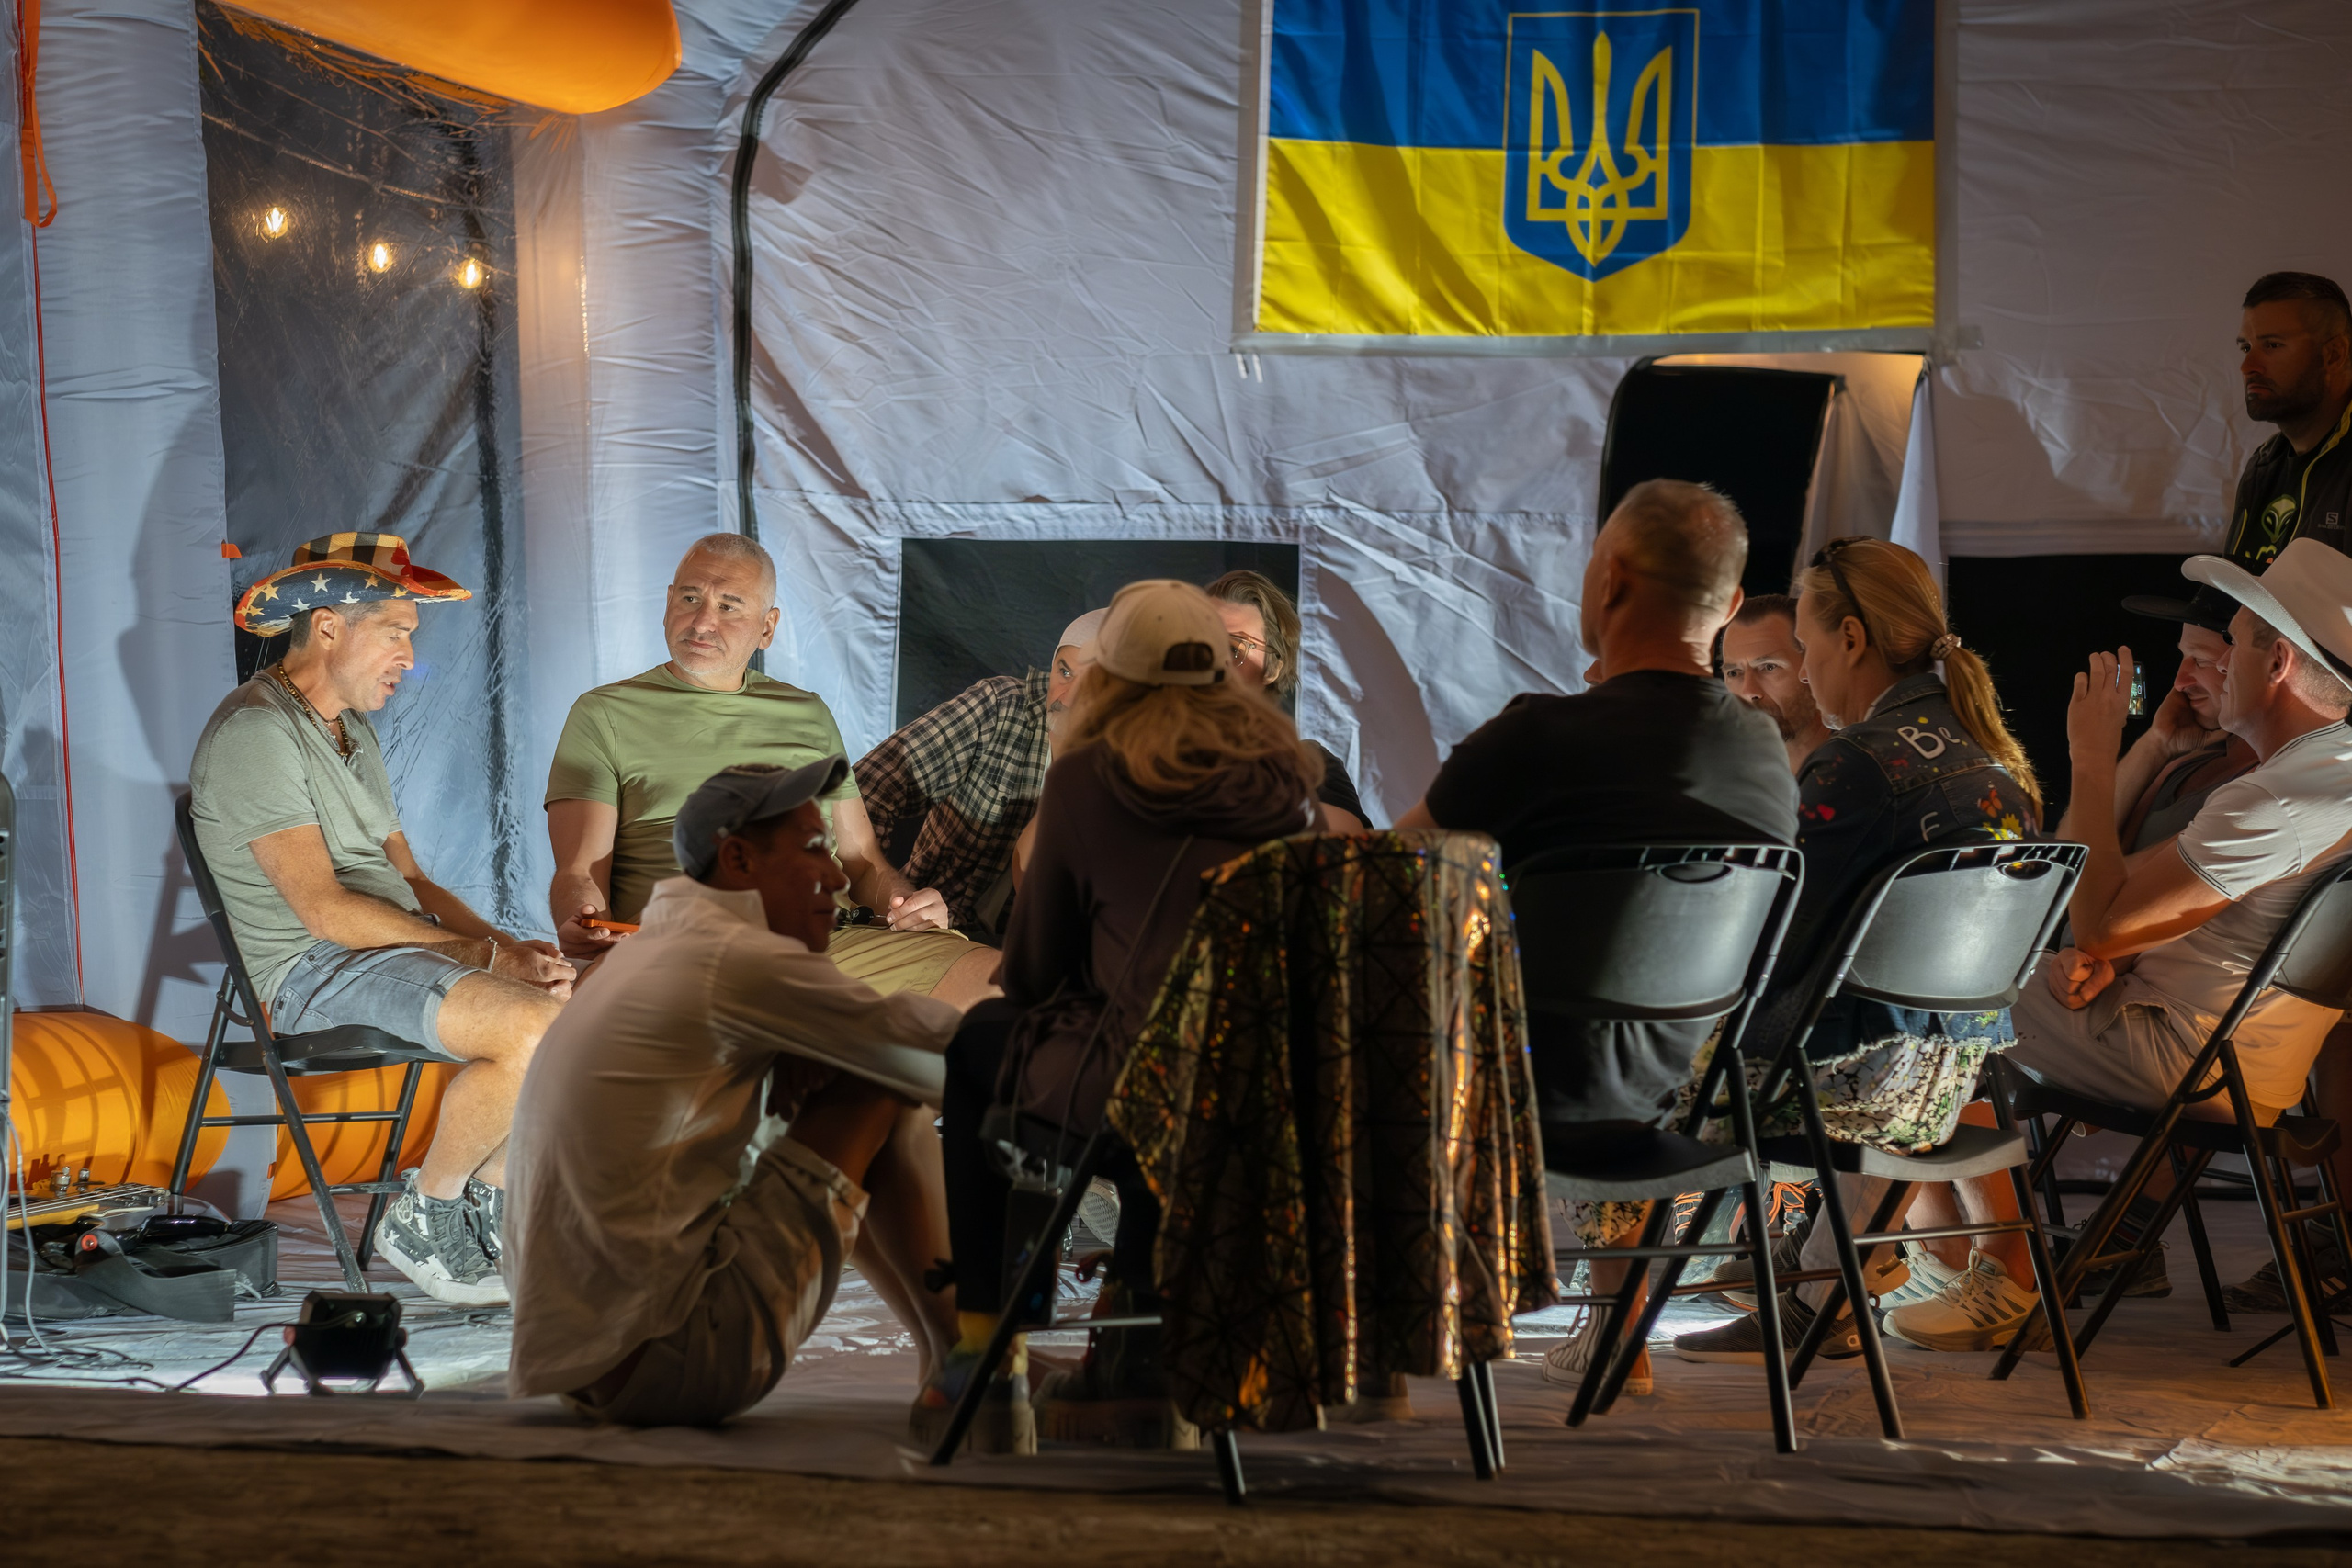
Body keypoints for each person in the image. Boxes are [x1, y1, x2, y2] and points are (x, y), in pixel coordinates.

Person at [1392, 479, 1798, 1393]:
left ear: (1608, 580)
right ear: (1731, 607)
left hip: (1513, 1097)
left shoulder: (1537, 738)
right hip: (1685, 1096)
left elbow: (1389, 876)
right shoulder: (1761, 753)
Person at [1899, 539, 2352, 1352]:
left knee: (1916, 990)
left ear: (2277, 659)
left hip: (2191, 1054)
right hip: (2232, 1048)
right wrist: (2112, 946)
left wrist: (2090, 756)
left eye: (2235, 640)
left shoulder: (2281, 795)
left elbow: (2095, 917)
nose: (2206, 669)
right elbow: (2121, 903)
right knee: (1950, 999)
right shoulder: (2327, 771)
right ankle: (1957, 1257)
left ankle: (1989, 1268)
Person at [935, 580, 1322, 1450]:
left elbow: (1030, 974)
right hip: (1256, 1099)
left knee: (980, 1047)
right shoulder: (1290, 788)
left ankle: (989, 1362)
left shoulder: (1085, 778)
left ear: (1111, 673)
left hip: (1125, 1085)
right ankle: (1146, 1371)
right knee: (1178, 1078)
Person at [506, 758, 965, 1430]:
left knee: (846, 1073)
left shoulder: (646, 950)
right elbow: (940, 1055)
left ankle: (956, 1361)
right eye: (814, 850)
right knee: (877, 1084)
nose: (839, 879)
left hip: (591, 1366)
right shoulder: (734, 955)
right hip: (674, 1359)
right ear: (740, 860)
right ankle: (973, 1363)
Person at [1671, 537, 2042, 1364]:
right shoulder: (1997, 763)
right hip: (1944, 1085)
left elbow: (1775, 943)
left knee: (1628, 1038)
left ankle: (1615, 1314)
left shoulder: (1857, 763)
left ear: (1850, 638)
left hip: (1850, 1086)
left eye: (1803, 646)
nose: (1802, 670)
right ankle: (1817, 1276)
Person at [192, 534, 571, 1305]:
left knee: (560, 1008)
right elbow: (324, 911)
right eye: (395, 631)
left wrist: (509, 948)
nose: (407, 654)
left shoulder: (351, 731)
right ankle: (425, 1211)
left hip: (388, 951)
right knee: (529, 1028)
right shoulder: (256, 733)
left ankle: (489, 1205)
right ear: (328, 626)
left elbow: (415, 880)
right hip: (313, 968)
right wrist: (483, 959)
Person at [545, 534, 998, 1005]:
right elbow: (579, 871)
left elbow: (865, 866)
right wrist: (584, 920)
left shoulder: (808, 713)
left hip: (831, 942)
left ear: (767, 628)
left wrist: (909, 907)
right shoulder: (604, 713)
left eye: (729, 606)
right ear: (667, 604)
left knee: (1007, 987)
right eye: (690, 598)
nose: (702, 621)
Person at [854, 609, 1104, 938]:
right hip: (932, 929)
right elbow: (869, 787)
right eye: (1066, 672)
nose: (1067, 699)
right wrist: (893, 895)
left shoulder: (1137, 767)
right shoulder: (1001, 708)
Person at [1204, 570, 1370, 830]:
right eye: (1202, 644)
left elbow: (1347, 846)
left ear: (1271, 669)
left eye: (1232, 648)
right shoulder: (1149, 761)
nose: (1213, 662)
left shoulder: (1309, 767)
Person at [2225, 272, 2350, 567]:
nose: (2248, 366)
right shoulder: (2264, 464)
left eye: (2272, 345)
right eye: (2246, 347)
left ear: (2333, 354)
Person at [1719, 592, 1834, 773]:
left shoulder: (1866, 767)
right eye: (1734, 673)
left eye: (1769, 667)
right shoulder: (1723, 776)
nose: (1749, 691)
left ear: (1812, 667)